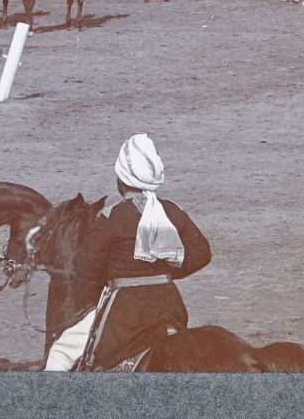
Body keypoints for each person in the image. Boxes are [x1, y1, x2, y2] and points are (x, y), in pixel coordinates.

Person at [44, 134, 211, 371]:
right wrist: (165, 271)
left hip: (126, 314)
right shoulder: (173, 211)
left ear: (121, 181)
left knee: (60, 354)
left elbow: (85, 266)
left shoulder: (112, 216)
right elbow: (201, 254)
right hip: (171, 306)